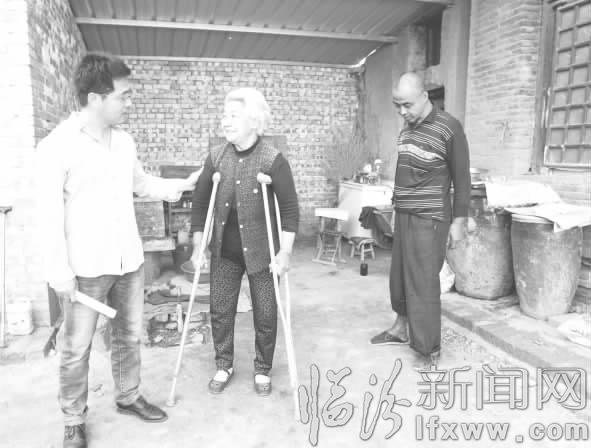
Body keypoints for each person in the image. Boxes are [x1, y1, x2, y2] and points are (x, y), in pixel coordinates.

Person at [36, 53, 201, 448]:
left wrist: (185, 185)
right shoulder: (57, 147)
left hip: (129, 259)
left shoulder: (124, 142)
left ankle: (128, 396)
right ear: (95, 98)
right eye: (123, 96)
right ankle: (74, 418)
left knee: (128, 336)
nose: (129, 102)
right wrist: (59, 274)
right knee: (76, 348)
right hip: (85, 268)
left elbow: (142, 185)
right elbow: (47, 216)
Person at [190, 87, 299, 396]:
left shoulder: (273, 160)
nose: (225, 121)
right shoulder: (216, 157)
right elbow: (200, 205)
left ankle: (263, 368)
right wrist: (199, 246)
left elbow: (290, 211)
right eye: (224, 115)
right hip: (225, 250)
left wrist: (285, 252)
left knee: (266, 313)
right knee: (220, 310)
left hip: (263, 253)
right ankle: (224, 364)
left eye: (234, 116)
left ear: (254, 121)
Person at [370, 72, 471, 366]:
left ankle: (429, 349)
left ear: (425, 97)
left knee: (423, 282)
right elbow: (404, 172)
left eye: (407, 105)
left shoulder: (449, 128)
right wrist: (395, 208)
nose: (402, 111)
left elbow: (462, 179)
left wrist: (459, 221)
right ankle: (401, 328)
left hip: (430, 218)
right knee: (399, 277)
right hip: (404, 213)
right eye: (397, 105)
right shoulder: (407, 129)